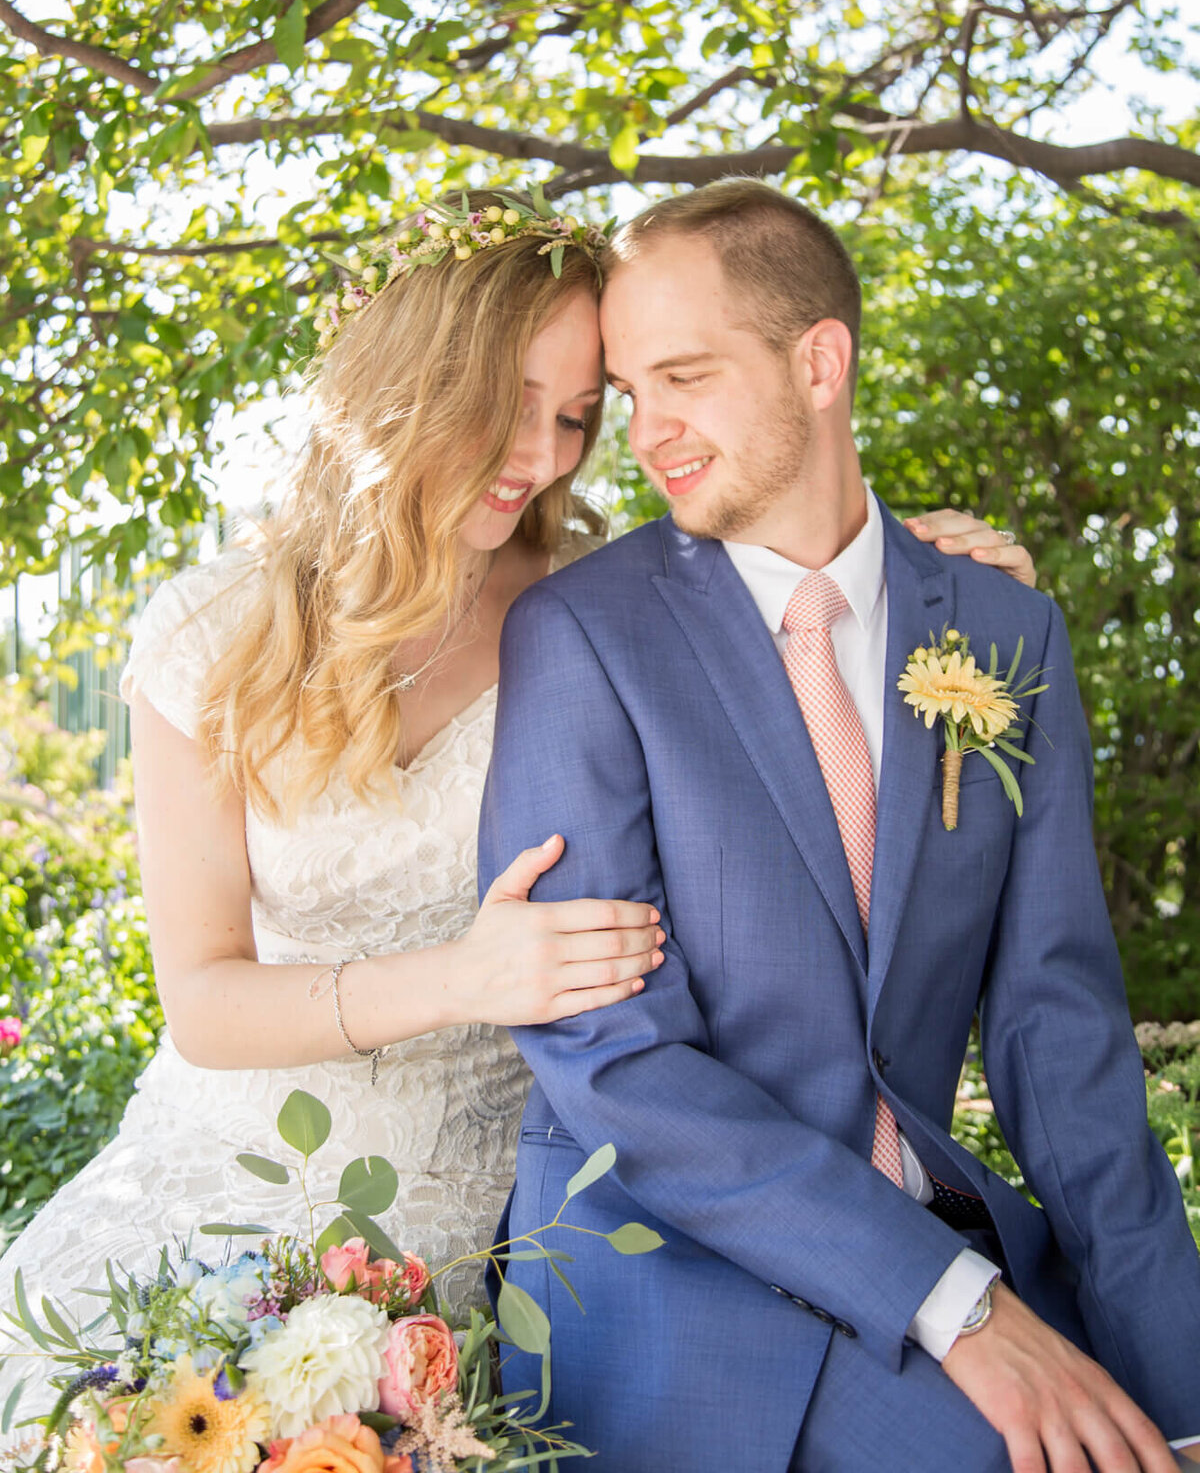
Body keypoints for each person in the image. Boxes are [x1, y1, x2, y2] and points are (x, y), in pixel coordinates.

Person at [0, 188, 1029, 1430]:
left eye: (580, 417)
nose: (542, 458)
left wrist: (916, 573)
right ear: (407, 384)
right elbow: (204, 999)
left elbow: (803, 602)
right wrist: (465, 975)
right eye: (509, 410)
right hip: (218, 1177)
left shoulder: (617, 613)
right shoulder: (210, 636)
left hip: (497, 1226)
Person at [478, 179, 1200, 1473]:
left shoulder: (998, 628)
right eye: (633, 395)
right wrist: (956, 1303)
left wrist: (1183, 1384)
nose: (652, 433)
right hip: (674, 1275)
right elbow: (610, 1057)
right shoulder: (584, 635)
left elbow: (1059, 1031)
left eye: (686, 377)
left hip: (949, 1247)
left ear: (820, 361)